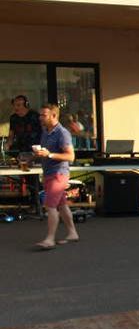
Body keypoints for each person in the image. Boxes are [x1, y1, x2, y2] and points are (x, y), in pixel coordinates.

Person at [32, 103, 79, 250]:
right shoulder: (45, 131)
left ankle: (50, 239)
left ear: (54, 115)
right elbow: (45, 153)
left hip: (58, 174)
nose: (40, 118)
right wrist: (32, 158)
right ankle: (72, 233)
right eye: (40, 115)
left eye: (43, 115)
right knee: (62, 205)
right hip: (49, 173)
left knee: (50, 206)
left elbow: (71, 156)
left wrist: (50, 155)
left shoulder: (62, 133)